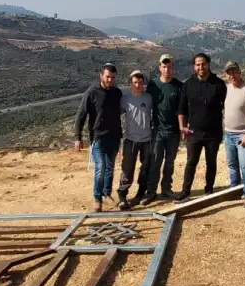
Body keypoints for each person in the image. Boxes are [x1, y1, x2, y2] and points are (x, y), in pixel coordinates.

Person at [175, 53, 227, 202]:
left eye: (203, 64)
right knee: (191, 162)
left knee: (211, 162)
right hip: (194, 132)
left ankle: (209, 190)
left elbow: (227, 106)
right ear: (194, 66)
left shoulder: (218, 84)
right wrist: (182, 127)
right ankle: (185, 192)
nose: (201, 67)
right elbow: (182, 109)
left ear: (208, 64)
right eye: (197, 65)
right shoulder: (188, 84)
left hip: (213, 132)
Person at [74, 63, 123, 212]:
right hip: (98, 138)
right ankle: (97, 198)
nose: (110, 80)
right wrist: (78, 137)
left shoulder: (117, 93)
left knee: (110, 168)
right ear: (101, 76)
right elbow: (81, 115)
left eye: (113, 78)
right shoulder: (92, 92)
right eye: (108, 77)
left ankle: (106, 193)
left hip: (114, 137)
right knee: (100, 167)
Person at [144, 54, 183, 203]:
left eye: (169, 66)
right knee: (155, 161)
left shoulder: (179, 86)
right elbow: (147, 107)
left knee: (170, 162)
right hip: (158, 131)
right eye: (164, 66)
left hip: (173, 132)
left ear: (172, 67)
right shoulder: (153, 85)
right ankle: (151, 191)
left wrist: (183, 127)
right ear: (160, 67)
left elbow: (182, 109)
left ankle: (166, 189)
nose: (167, 69)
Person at [222, 61, 245, 207]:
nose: (232, 75)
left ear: (240, 72)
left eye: (234, 71)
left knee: (244, 164)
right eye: (229, 72)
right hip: (228, 133)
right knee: (232, 164)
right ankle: (234, 189)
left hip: (242, 134)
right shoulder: (227, 89)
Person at [117, 70, 154, 209]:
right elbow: (115, 114)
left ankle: (141, 192)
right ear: (131, 83)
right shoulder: (125, 99)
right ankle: (122, 194)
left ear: (143, 83)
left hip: (147, 139)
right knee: (127, 168)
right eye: (135, 82)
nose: (138, 85)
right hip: (131, 140)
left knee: (145, 168)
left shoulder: (149, 98)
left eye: (140, 82)